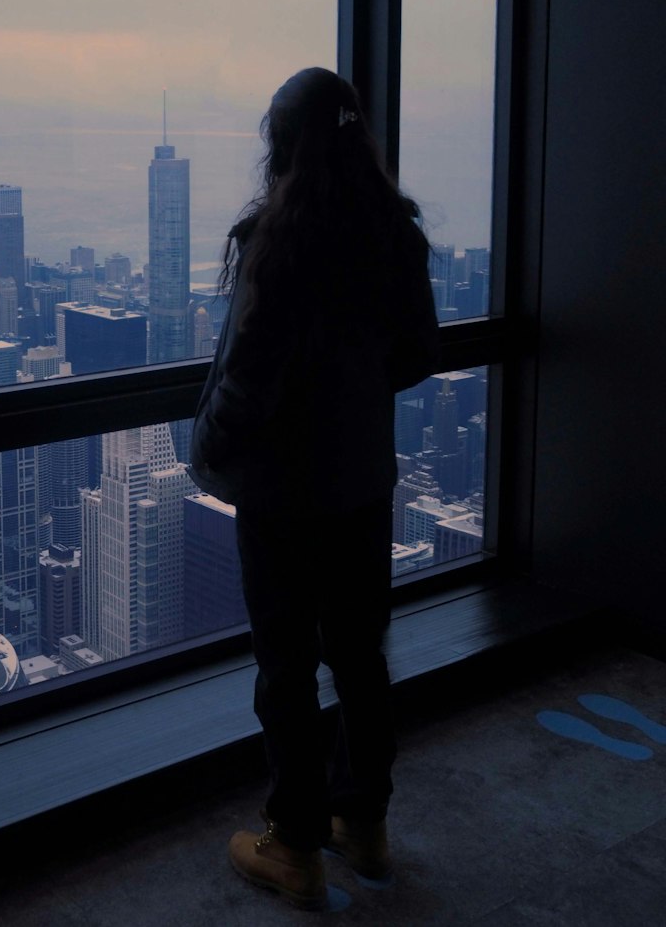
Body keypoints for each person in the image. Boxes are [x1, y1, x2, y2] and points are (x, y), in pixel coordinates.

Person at [189, 67, 438, 911]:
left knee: (287, 667)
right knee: (361, 656)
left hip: (284, 498)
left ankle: (295, 845)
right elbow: (415, 355)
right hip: (363, 483)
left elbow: (248, 379)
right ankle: (362, 824)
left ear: (280, 143)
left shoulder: (281, 241)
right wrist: (354, 401)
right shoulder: (394, 233)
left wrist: (210, 444)